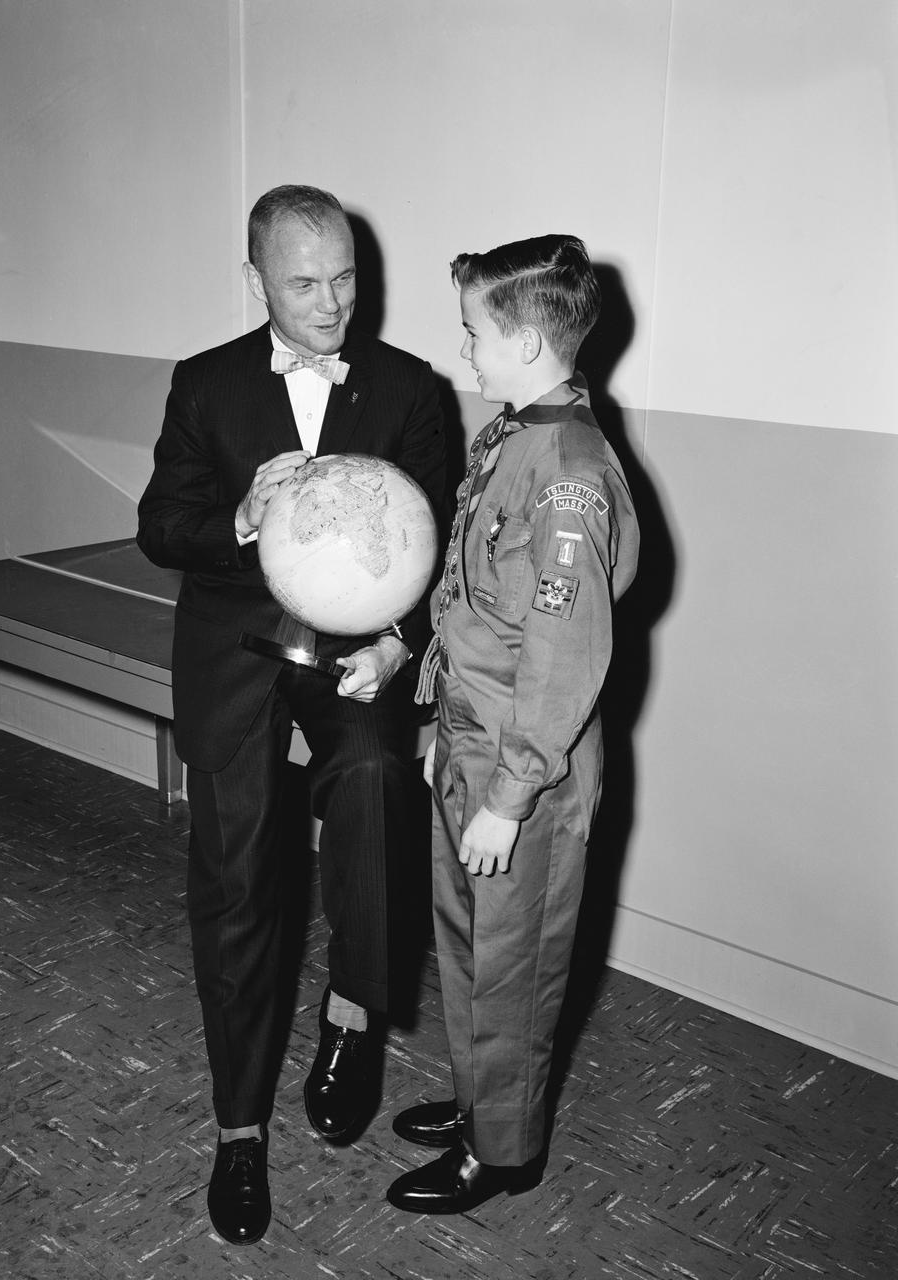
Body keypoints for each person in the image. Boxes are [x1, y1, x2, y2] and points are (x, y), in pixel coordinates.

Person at [137, 185, 445, 1245]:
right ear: (254, 280)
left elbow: (441, 550)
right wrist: (237, 516)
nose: (331, 303)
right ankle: (238, 1128)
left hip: (356, 648)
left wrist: (401, 645)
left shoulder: (409, 387)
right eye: (304, 282)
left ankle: (355, 1006)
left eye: (346, 277)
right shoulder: (206, 383)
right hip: (235, 641)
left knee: (375, 779)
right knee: (237, 881)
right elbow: (161, 525)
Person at [386, 235, 639, 1215]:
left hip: (524, 767)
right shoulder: (513, 432)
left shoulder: (569, 471)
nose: (464, 350)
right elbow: (472, 600)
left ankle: (505, 1148)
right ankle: (478, 1099)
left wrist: (509, 791)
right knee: (466, 940)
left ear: (527, 341)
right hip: (473, 737)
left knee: (514, 962)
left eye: (474, 332)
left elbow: (562, 654)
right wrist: (443, 729)